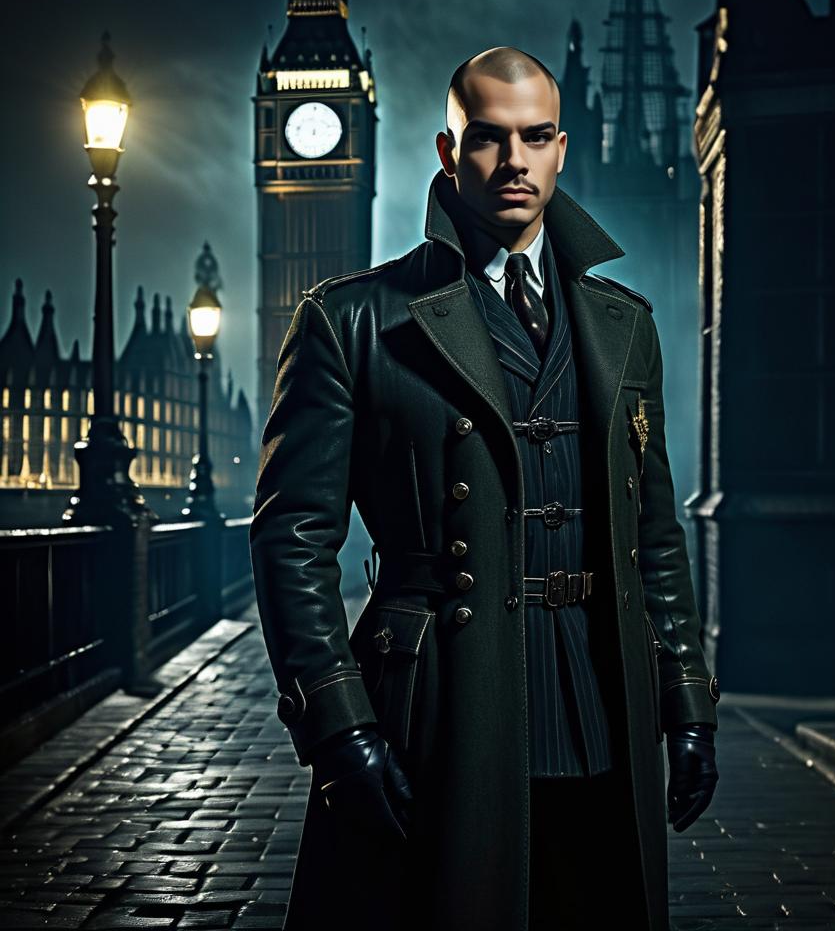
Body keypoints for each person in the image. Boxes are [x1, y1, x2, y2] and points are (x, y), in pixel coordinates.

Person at [249, 45, 720, 931]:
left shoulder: (625, 326)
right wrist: (339, 725)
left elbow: (653, 537)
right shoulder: (353, 322)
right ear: (445, 150)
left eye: (535, 137)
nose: (515, 162)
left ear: (562, 149)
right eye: (489, 139)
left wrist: (686, 695)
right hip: (437, 711)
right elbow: (293, 540)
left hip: (598, 705)